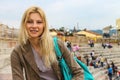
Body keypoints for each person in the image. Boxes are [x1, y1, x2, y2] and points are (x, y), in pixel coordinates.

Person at [10, 6, 83, 80]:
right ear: (24, 24)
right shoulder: (17, 53)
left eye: (39, 22)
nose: (34, 26)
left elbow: (78, 72)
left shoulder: (57, 45)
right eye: (30, 22)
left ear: (44, 25)